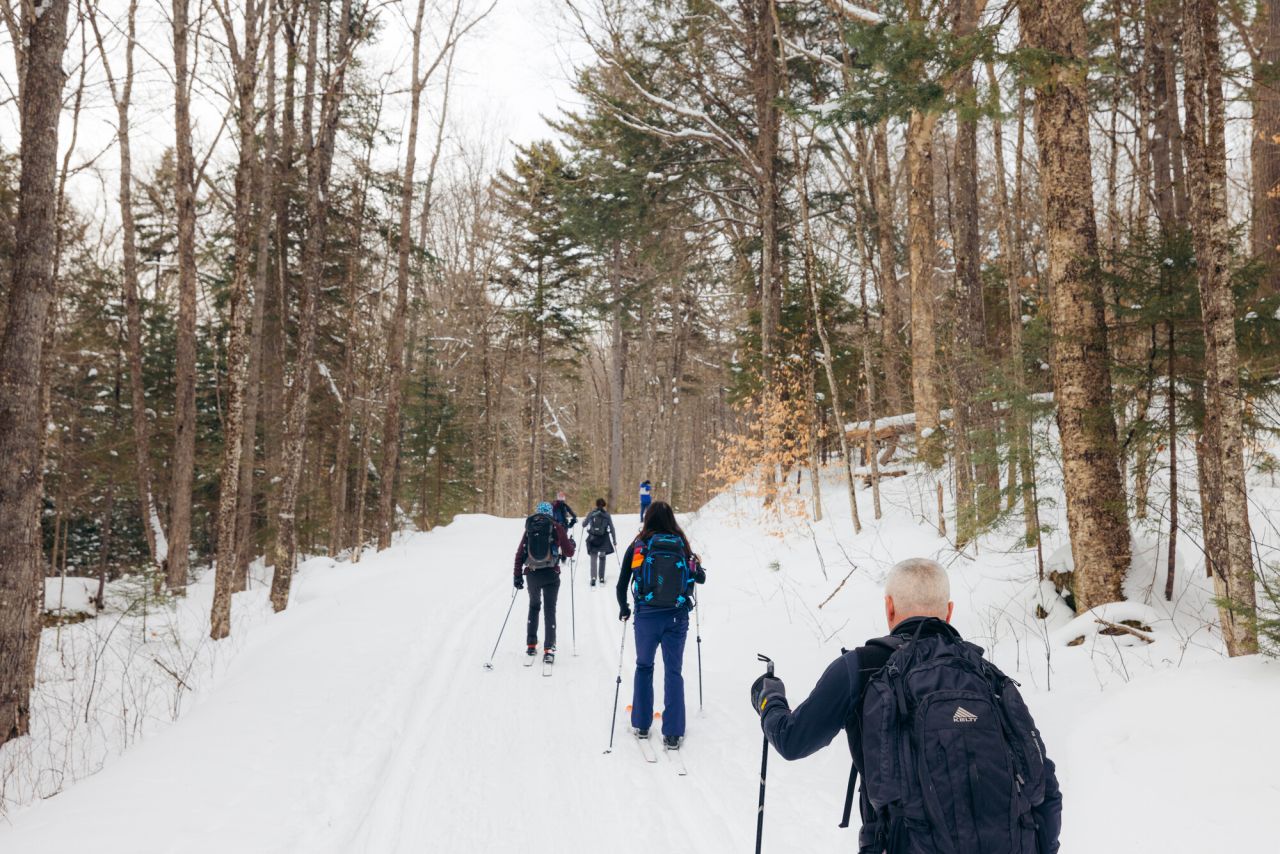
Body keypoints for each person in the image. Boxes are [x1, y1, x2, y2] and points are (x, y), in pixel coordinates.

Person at [749, 558, 1062, 854]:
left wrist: (769, 698)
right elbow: (1045, 787)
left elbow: (792, 741)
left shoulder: (860, 668)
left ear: (889, 607)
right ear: (949, 611)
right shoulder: (987, 674)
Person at [616, 501, 706, 749]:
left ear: (648, 519)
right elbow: (701, 577)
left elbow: (622, 583)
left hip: (646, 616)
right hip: (676, 617)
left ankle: (642, 725)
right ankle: (673, 732)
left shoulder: (639, 545)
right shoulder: (681, 543)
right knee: (673, 671)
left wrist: (624, 608)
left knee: (644, 667)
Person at [513, 501, 576, 663]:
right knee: (550, 610)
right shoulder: (556, 527)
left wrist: (517, 576)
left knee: (534, 606)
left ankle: (531, 645)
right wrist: (572, 545)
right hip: (551, 574)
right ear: (551, 514)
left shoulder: (530, 528)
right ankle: (549, 649)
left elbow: (520, 553)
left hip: (532, 574)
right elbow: (568, 552)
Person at [582, 498, 617, 587]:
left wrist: (585, 520)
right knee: (602, 557)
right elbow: (612, 528)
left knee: (593, 558)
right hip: (604, 538)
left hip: (593, 538)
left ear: (596, 504)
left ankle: (593, 578)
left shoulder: (591, 514)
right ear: (604, 505)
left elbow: (584, 525)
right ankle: (601, 578)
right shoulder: (607, 515)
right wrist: (614, 540)